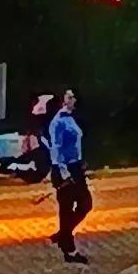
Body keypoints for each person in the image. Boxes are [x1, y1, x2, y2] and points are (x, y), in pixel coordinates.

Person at [48, 89, 92, 264]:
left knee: (85, 204)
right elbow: (56, 149)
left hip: (75, 166)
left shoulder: (70, 118)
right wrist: (64, 173)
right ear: (62, 101)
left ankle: (63, 235)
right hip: (64, 169)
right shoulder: (58, 122)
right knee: (67, 208)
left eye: (74, 96)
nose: (74, 99)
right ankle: (69, 249)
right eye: (69, 97)